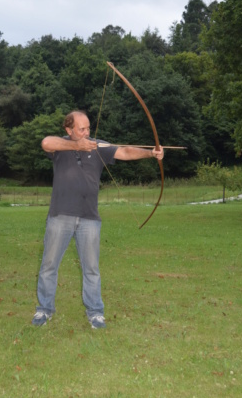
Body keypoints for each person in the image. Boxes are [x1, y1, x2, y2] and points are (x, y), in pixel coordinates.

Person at [32, 110, 164, 329]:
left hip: (89, 218)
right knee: (48, 265)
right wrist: (76, 146)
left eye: (88, 128)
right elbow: (46, 142)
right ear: (69, 129)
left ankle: (95, 312)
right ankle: (44, 310)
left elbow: (125, 151)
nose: (87, 132)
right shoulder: (61, 146)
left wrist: (150, 153)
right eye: (81, 129)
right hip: (60, 215)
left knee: (91, 268)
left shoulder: (97, 146)